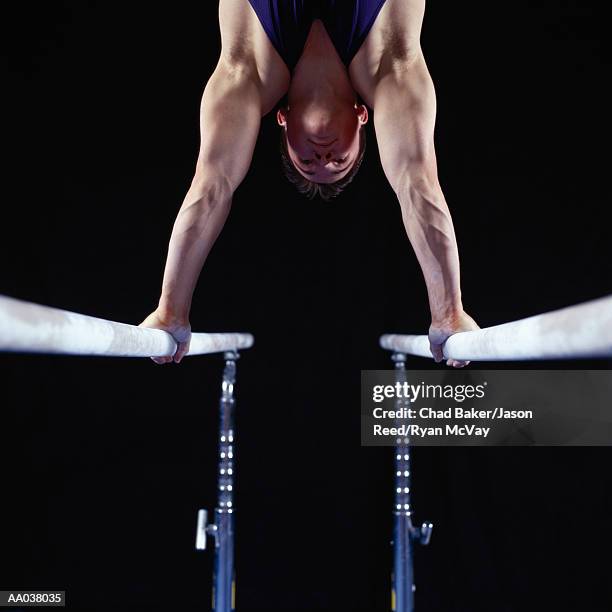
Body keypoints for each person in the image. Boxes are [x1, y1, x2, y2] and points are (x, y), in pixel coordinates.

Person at [140, 0, 479, 367]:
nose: (324, 157)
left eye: (308, 161)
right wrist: (448, 312)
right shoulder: (391, 68)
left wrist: (171, 308)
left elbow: (210, 189)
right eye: (339, 161)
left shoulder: (247, 71)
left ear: (282, 120)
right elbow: (417, 186)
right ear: (363, 117)